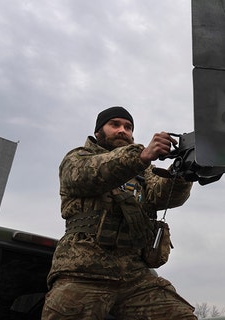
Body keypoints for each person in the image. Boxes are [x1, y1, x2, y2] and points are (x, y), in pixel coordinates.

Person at [42, 106, 197, 319]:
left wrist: (182, 172)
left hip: (134, 276)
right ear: (99, 131)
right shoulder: (77, 158)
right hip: (83, 272)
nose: (123, 130)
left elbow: (162, 196)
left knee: (180, 316)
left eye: (128, 127)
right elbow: (87, 175)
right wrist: (141, 156)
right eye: (115, 125)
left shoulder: (142, 171)